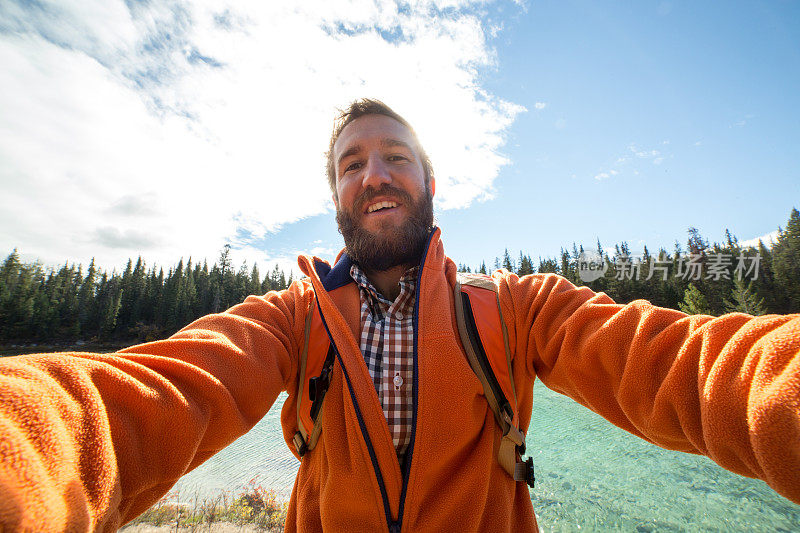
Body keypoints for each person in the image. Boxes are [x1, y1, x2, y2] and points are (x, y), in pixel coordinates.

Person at [1, 99, 799, 532]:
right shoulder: (290, 320)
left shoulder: (518, 308)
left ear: (430, 182)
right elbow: (135, 400)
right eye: (352, 164)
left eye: (395, 157)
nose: (374, 174)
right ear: (336, 195)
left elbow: (686, 366)